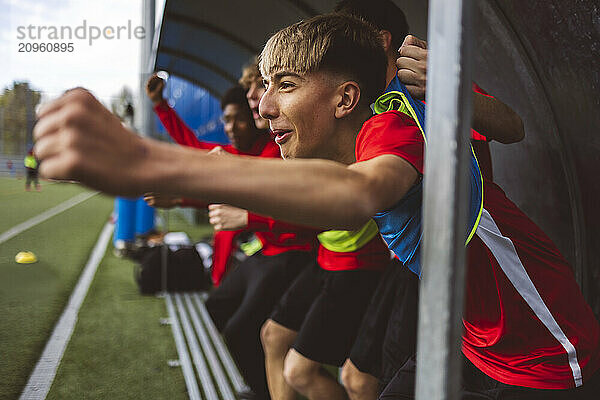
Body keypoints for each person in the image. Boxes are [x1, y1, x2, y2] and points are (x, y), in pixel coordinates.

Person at [34, 13, 600, 399]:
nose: (264, 108)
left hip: (545, 354)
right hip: (475, 343)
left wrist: (149, 160)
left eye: (285, 84)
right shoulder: (391, 121)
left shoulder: (393, 125)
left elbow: (356, 196)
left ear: (346, 98)